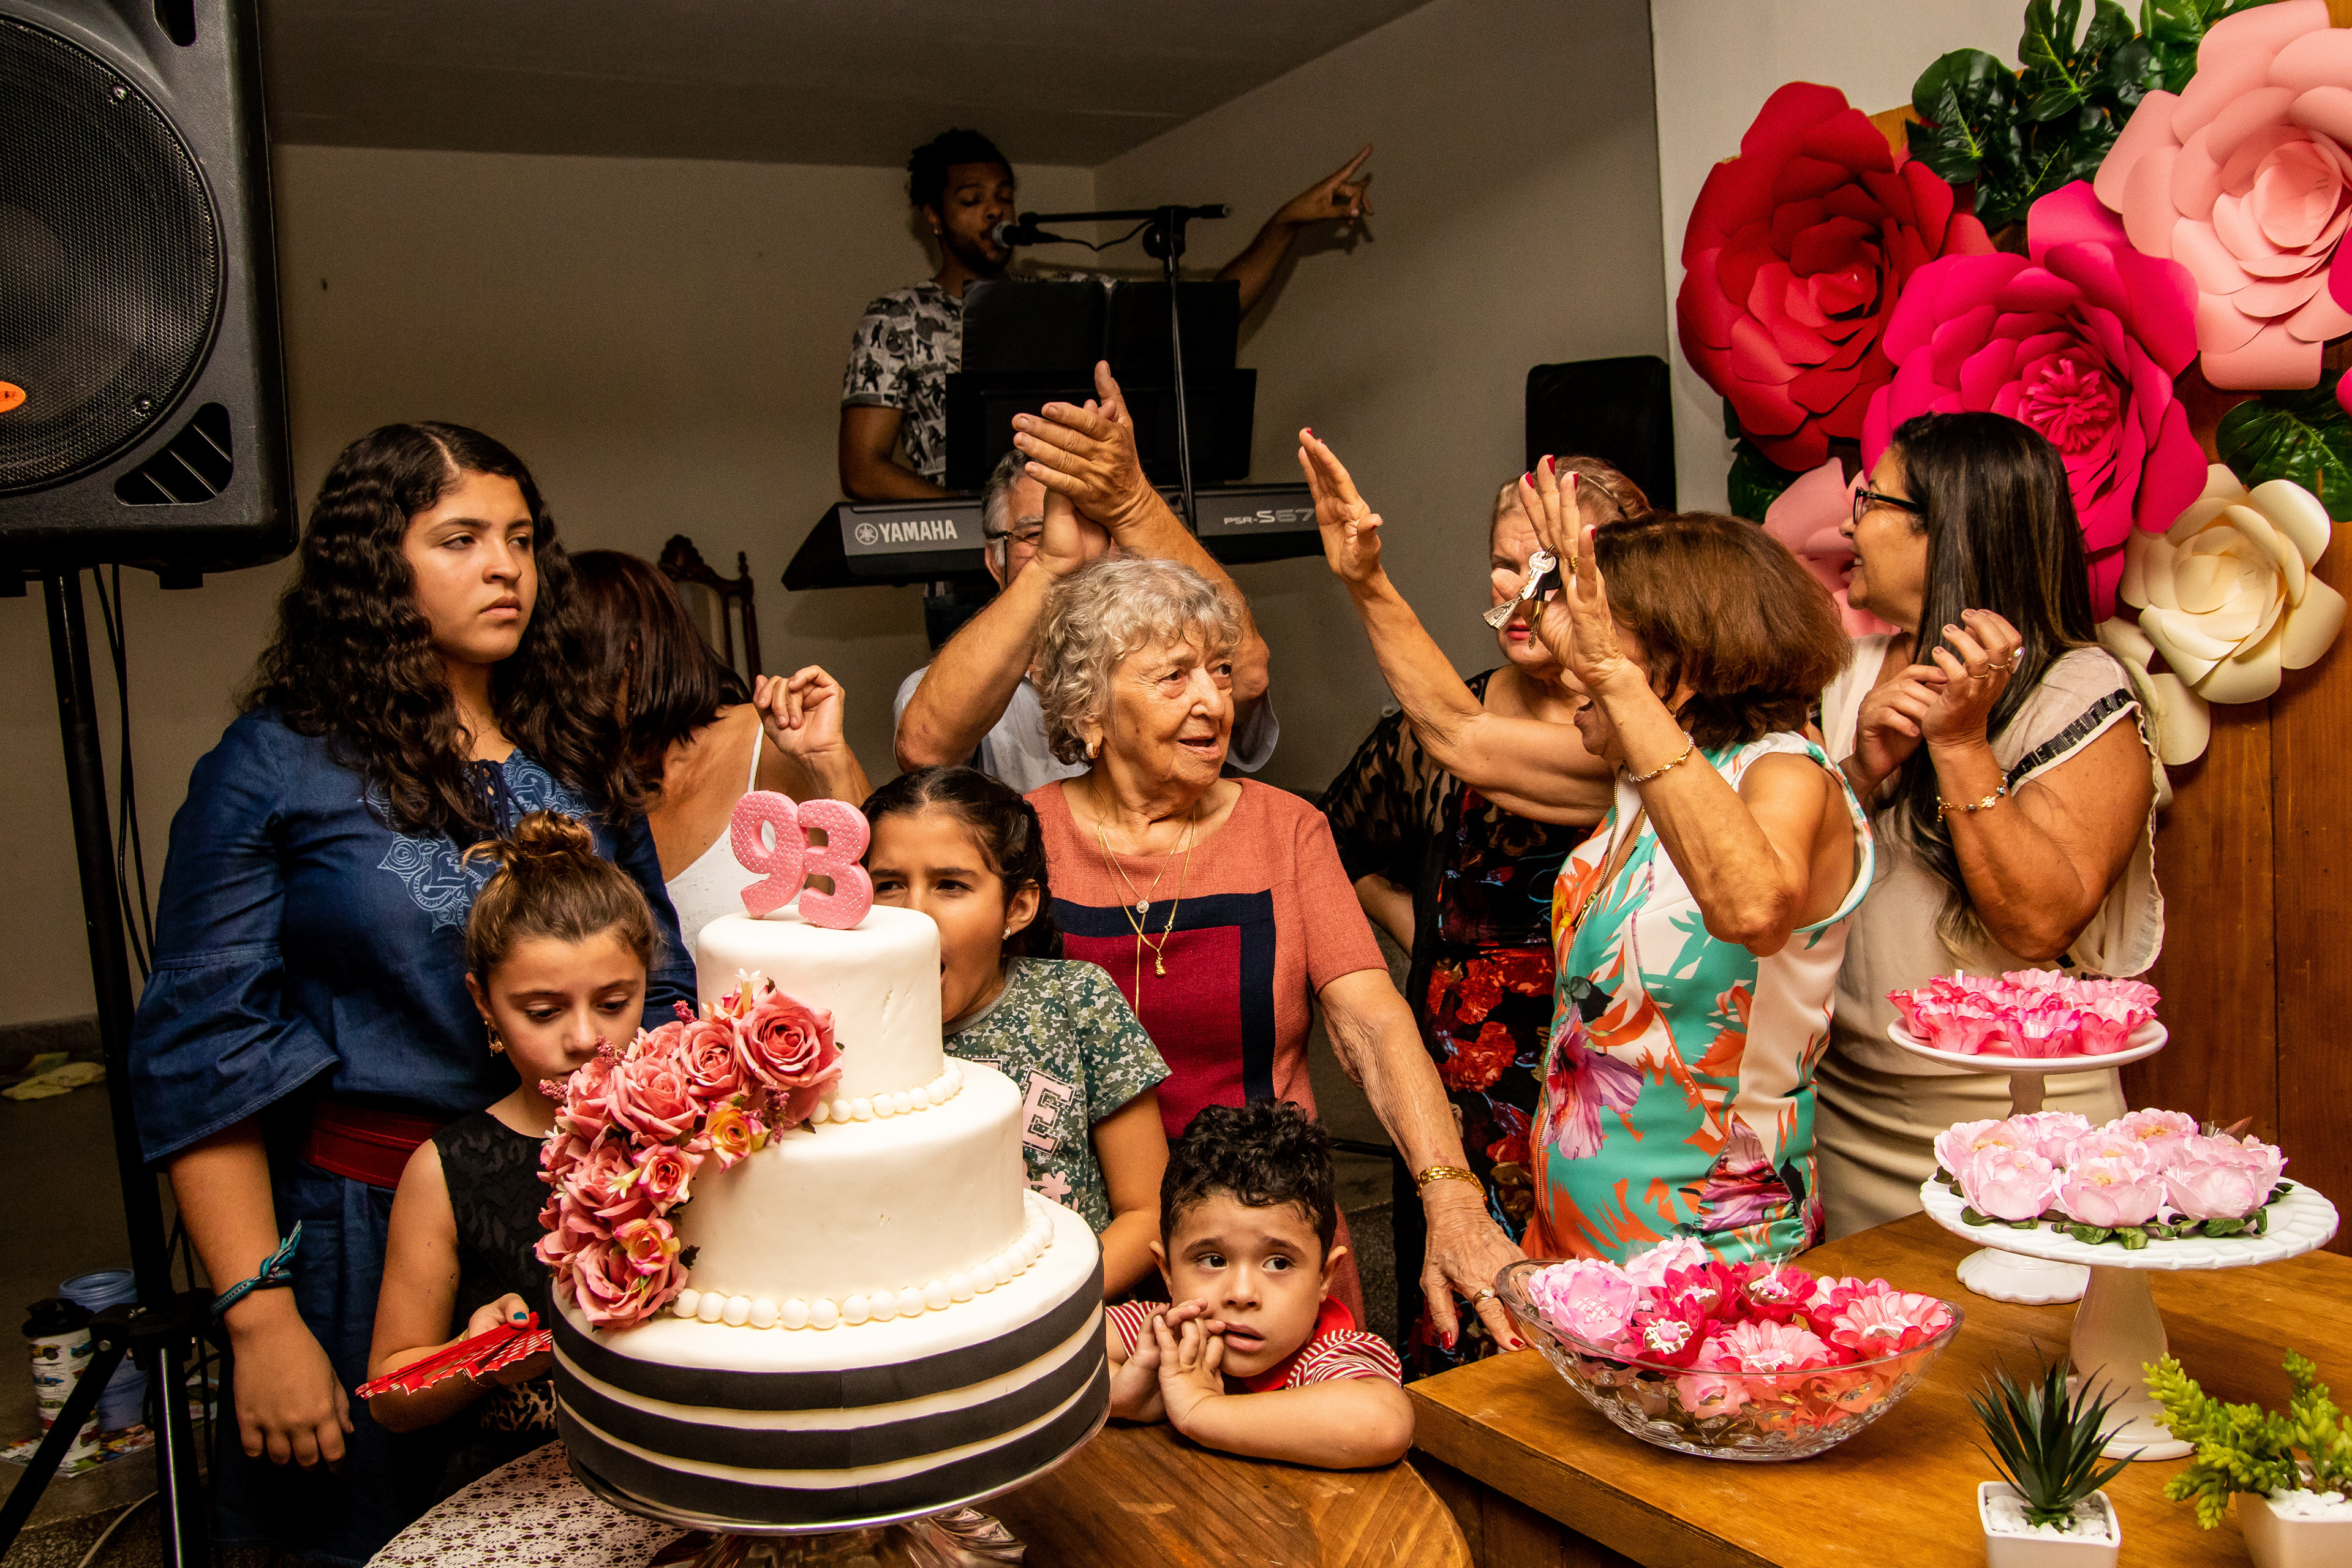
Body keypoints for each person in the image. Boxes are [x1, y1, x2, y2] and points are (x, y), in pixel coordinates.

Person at [129, 424, 695, 1564]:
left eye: (521, 540)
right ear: (375, 568)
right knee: (367, 1531)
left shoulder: (574, 745)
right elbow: (205, 1051)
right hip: (364, 1230)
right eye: (462, 540)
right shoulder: (275, 764)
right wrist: (260, 1319)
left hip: (580, 1215)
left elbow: (664, 980)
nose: (506, 569)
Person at [1302, 438, 1870, 1265]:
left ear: (1681, 657)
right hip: (1574, 1229)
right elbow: (1458, 732)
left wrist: (1614, 680)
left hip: (1711, 1245)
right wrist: (1367, 582)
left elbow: (1752, 906)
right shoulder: (1639, 777)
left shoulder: (1784, 771)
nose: (1571, 664)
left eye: (1601, 636)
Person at [1023, 540, 1525, 1349]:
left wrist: (1451, 1195)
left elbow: (1372, 1024)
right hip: (1084, 1246)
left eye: (1220, 673)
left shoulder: (1286, 830)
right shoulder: (1025, 838)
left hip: (1267, 1248)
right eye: (1174, 676)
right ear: (1089, 709)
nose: (1214, 703)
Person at [1321, 459, 1640, 1374]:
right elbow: (1329, 850)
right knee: (1469, 1336)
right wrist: (1422, 931)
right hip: (1462, 1099)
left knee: (1614, 1336)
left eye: (1552, 569)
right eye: (1506, 564)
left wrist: (1366, 583)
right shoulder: (1420, 737)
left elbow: (1471, 742)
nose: (1521, 594)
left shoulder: (1647, 739)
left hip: (1612, 1087)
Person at [1817, 412, 2163, 1235]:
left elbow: (2039, 922)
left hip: (2028, 1127)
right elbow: (1787, 882)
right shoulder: (1840, 675)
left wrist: (1962, 744)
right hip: (1848, 1119)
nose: (1846, 525)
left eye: (1869, 499)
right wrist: (1861, 772)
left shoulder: (2079, 690)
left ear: (1946, 529)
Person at [839, 129, 1374, 499]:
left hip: (1089, 548)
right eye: (971, 200)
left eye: (1003, 195)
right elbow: (863, 469)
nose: (995, 209)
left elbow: (1204, 315)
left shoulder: (1065, 298)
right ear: (934, 217)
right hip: (975, 566)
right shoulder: (897, 318)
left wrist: (1285, 224)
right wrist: (976, 515)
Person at [365, 813, 657, 1491]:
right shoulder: (446, 1170)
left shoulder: (695, 1136)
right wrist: (479, 1357)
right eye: (543, 1011)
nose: (583, 1037)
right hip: (520, 1490)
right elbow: (389, 1397)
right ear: (485, 1003)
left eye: (614, 1002)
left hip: (670, 1474)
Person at [892, 361, 1277, 791]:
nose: (1084, 550)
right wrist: (1053, 565)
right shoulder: (945, 685)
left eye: (1103, 529)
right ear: (995, 561)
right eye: (1034, 534)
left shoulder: (1186, 668)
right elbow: (924, 751)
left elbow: (1248, 675)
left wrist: (1132, 505)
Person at [862, 765, 1171, 1298]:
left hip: (1070, 1314)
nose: (915, 915)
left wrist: (1040, 1311)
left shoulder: (1077, 1000)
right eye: (888, 885)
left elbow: (1147, 1212)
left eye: (950, 885)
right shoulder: (841, 1028)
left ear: (1019, 906)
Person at [569, 550, 871, 943]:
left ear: (633, 649)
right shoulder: (569, 783)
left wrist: (825, 763)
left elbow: (882, 904)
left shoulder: (771, 741)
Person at [1105, 1099, 1411, 1469]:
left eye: (1278, 1263)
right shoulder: (1167, 1333)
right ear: (1167, 1272)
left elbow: (1383, 1424)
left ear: (1324, 1277)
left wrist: (1201, 1410)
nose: (1242, 1294)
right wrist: (1118, 1392)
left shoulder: (1329, 1354)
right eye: (1213, 1260)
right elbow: (1053, 1348)